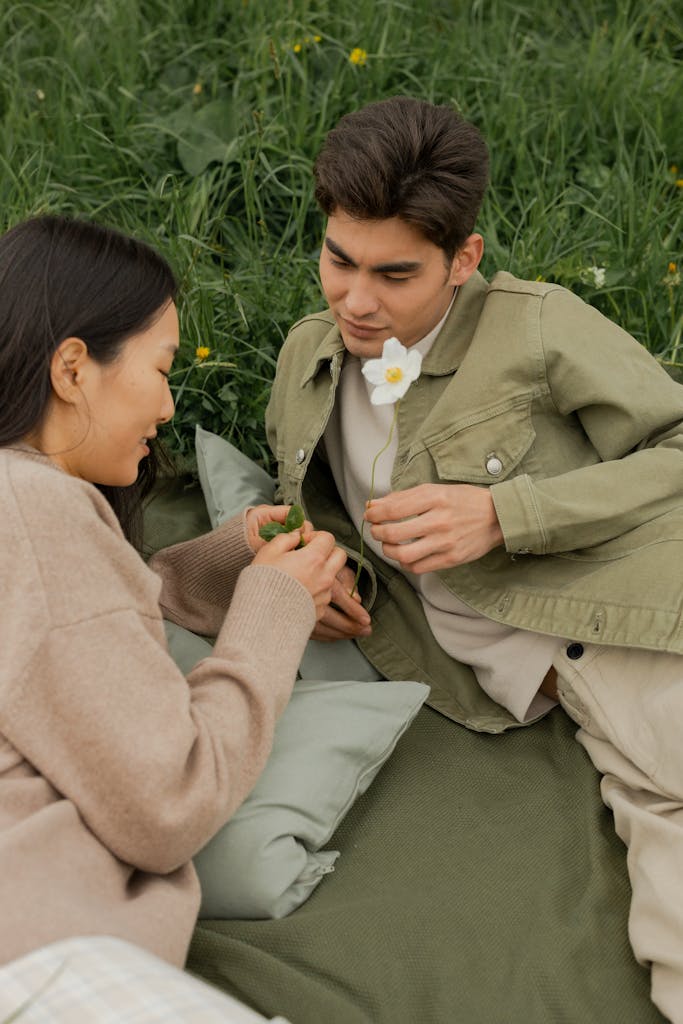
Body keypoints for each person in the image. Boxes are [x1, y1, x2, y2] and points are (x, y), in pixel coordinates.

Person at [265, 96, 683, 1021]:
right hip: (566, 700)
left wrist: (506, 513)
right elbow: (317, 500)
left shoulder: (534, 327)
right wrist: (321, 565)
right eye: (338, 258)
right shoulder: (306, 362)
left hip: (633, 630)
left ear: (463, 260)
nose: (355, 299)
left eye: (394, 273)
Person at [0, 215, 345, 1012]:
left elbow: (61, 649)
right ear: (74, 369)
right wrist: (274, 609)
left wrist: (222, 570)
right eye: (160, 368)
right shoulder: (33, 505)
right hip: (41, 962)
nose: (166, 403)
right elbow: (167, 800)